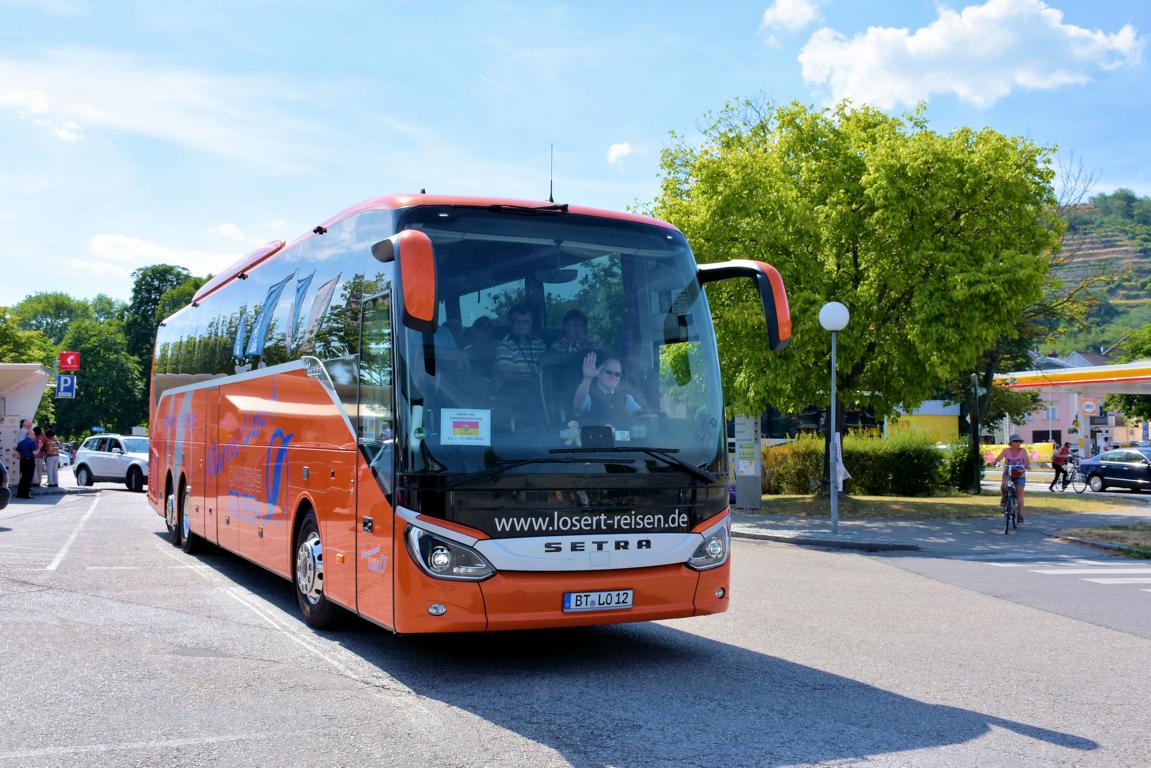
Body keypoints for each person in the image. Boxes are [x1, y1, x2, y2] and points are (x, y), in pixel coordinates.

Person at [572, 352, 643, 424]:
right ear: (599, 373)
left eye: (617, 374)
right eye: (609, 372)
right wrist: (587, 378)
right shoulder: (588, 394)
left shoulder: (626, 398)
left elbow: (641, 416)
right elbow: (578, 405)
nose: (613, 376)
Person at [494, 304, 546, 384]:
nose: (522, 326)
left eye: (526, 322)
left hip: (538, 390)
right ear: (510, 324)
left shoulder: (539, 344)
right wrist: (534, 381)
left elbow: (546, 369)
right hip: (510, 392)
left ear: (531, 324)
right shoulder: (504, 346)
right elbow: (507, 376)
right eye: (517, 322)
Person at [993, 434, 1031, 521]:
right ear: (1011, 442)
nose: (1018, 443)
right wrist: (994, 462)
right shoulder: (1006, 451)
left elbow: (1026, 461)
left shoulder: (1023, 451)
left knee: (1019, 493)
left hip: (1019, 473)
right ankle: (1004, 498)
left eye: (1020, 441)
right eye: (1016, 441)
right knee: (1003, 485)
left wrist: (1028, 466)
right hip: (1008, 473)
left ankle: (1020, 516)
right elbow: (999, 458)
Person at [14, 430, 37, 499]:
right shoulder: (32, 443)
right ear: (30, 435)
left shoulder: (21, 443)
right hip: (30, 461)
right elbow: (34, 453)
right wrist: (40, 448)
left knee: (23, 477)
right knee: (28, 478)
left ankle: (19, 493)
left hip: (22, 461)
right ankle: (26, 494)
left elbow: (17, 454)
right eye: (33, 435)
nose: (34, 436)